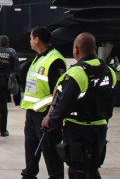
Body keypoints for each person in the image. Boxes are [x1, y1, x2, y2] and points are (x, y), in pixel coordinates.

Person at [42, 32, 117, 179]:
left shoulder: (77, 73)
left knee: (78, 171)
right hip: (100, 128)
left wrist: (50, 121)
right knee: (93, 168)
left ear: (76, 49)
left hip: (78, 130)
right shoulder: (109, 71)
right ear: (94, 49)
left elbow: (64, 103)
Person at [21, 27, 67, 179]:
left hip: (45, 113)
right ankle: (29, 174)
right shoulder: (38, 57)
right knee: (31, 146)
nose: (29, 41)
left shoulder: (55, 60)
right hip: (33, 111)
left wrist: (51, 115)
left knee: (50, 150)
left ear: (37, 39)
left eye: (31, 38)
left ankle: (55, 176)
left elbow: (58, 89)